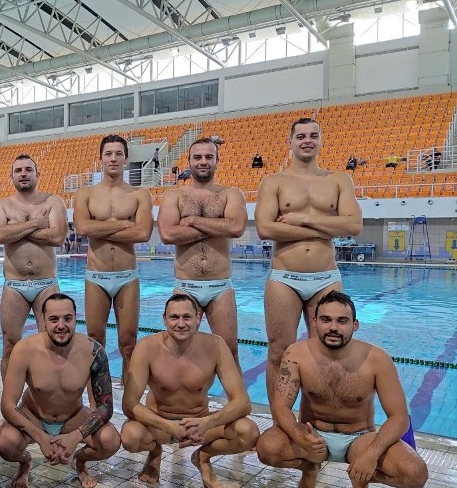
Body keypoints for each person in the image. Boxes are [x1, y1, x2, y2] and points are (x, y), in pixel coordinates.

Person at [256, 291, 428, 488]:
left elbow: (399, 417)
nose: (333, 327)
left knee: (415, 474)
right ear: (315, 322)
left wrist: (371, 455)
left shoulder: (377, 359)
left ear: (355, 325)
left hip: (360, 438)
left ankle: (360, 482)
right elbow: (280, 406)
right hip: (312, 435)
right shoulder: (297, 353)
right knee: (266, 448)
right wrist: (300, 436)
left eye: (342, 321)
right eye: (326, 320)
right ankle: (309, 469)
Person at [255, 117, 362, 409]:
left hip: (325, 277)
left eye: (313, 135)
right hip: (284, 277)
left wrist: (304, 218)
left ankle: (315, 420)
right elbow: (265, 229)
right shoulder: (274, 182)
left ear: (320, 140)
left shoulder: (339, 180)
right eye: (301, 136)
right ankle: (280, 421)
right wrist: (329, 225)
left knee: (326, 352)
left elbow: (353, 226)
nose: (307, 140)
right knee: (279, 352)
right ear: (290, 142)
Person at [121, 294, 258, 488]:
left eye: (187, 317)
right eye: (174, 317)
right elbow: (129, 403)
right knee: (131, 437)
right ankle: (154, 452)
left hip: (200, 423)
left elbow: (243, 402)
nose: (181, 323)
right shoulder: (147, 347)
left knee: (249, 432)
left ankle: (203, 457)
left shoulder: (215, 345)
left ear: (198, 319)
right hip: (160, 424)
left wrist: (206, 423)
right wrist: (170, 427)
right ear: (164, 319)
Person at [0, 293, 120, 488]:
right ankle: (25, 462)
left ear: (75, 318)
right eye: (54, 319)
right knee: (6, 444)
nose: (61, 325)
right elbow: (7, 405)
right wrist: (40, 437)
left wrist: (76, 437)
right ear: (43, 321)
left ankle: (79, 461)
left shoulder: (93, 351)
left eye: (67, 318)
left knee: (110, 441)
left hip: (73, 417)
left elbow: (105, 407)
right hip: (34, 415)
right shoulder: (24, 350)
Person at [157, 137, 247, 368]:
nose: (203, 162)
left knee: (229, 351)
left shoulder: (231, 193)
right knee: (177, 352)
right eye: (197, 157)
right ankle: (182, 404)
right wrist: (218, 226)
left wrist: (193, 220)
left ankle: (237, 404)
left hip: (221, 287)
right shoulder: (174, 196)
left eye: (209, 157)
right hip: (185, 285)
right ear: (189, 161)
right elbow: (167, 234)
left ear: (217, 160)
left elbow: (236, 228)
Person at [74, 134, 153, 382]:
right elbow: (82, 229)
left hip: (126, 277)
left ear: (126, 159)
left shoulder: (140, 194)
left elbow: (143, 233)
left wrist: (100, 228)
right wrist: (122, 225)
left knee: (128, 343)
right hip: (96, 276)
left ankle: (129, 408)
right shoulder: (85, 193)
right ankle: (99, 407)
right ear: (100, 159)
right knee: (94, 341)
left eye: (119, 153)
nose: (113, 158)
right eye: (108, 154)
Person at [0, 154, 68, 378]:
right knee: (10, 345)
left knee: (51, 344)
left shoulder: (53, 201)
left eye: (28, 169)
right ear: (11, 177)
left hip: (47, 284)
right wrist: (35, 223)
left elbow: (58, 237)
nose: (23, 173)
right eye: (18, 170)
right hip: (15, 285)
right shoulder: (1, 205)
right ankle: (9, 405)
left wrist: (16, 229)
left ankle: (47, 403)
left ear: (37, 174)